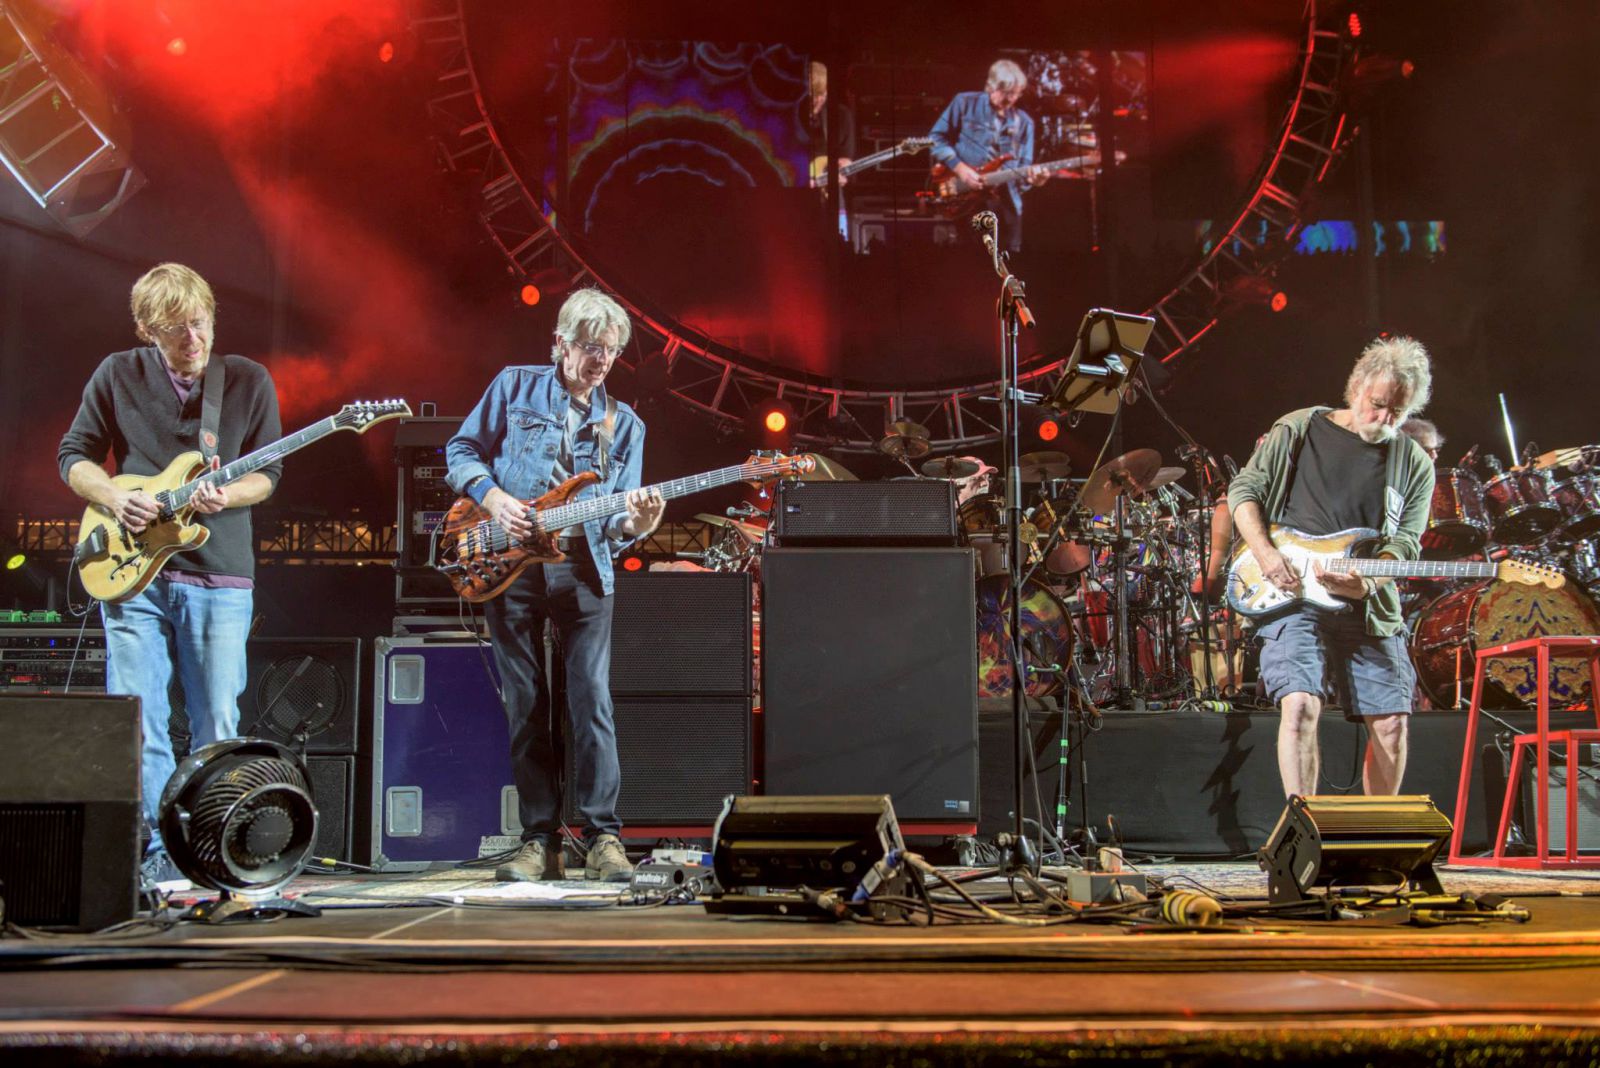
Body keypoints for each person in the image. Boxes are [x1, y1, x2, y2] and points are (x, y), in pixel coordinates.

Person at [58, 263, 283, 885]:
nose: (193, 339)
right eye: (175, 329)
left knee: (216, 719)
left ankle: (214, 846)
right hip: (131, 573)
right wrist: (108, 496)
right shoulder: (117, 374)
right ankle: (159, 851)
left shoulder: (246, 381)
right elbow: (73, 455)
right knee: (139, 716)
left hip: (218, 573)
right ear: (145, 331)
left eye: (200, 322)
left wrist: (227, 496)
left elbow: (269, 476)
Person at [447, 288, 665, 883]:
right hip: (509, 568)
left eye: (612, 352)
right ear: (560, 344)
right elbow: (461, 449)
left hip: (584, 570)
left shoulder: (627, 425)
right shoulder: (514, 386)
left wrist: (637, 524)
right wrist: (492, 500)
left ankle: (603, 838)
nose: (600, 361)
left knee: (591, 701)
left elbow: (619, 521)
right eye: (591, 348)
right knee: (526, 704)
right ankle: (538, 840)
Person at [1227, 337, 1437, 798]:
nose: (1383, 419)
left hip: (1367, 604)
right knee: (1300, 705)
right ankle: (1306, 834)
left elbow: (1405, 544)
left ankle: (1377, 841)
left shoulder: (1414, 463)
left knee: (1393, 724)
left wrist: (1371, 580)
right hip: (1292, 592)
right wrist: (1265, 554)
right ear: (1356, 387)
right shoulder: (1299, 428)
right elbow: (1243, 493)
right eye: (1377, 404)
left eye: (1396, 413)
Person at [928, 58, 1051, 253]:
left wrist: (1035, 180)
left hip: (1005, 208)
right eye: (1005, 92)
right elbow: (935, 139)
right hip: (965, 201)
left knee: (1008, 268)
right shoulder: (964, 103)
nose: (1010, 99)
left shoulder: (1025, 123)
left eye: (1015, 93)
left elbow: (1023, 174)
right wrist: (960, 169)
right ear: (991, 86)